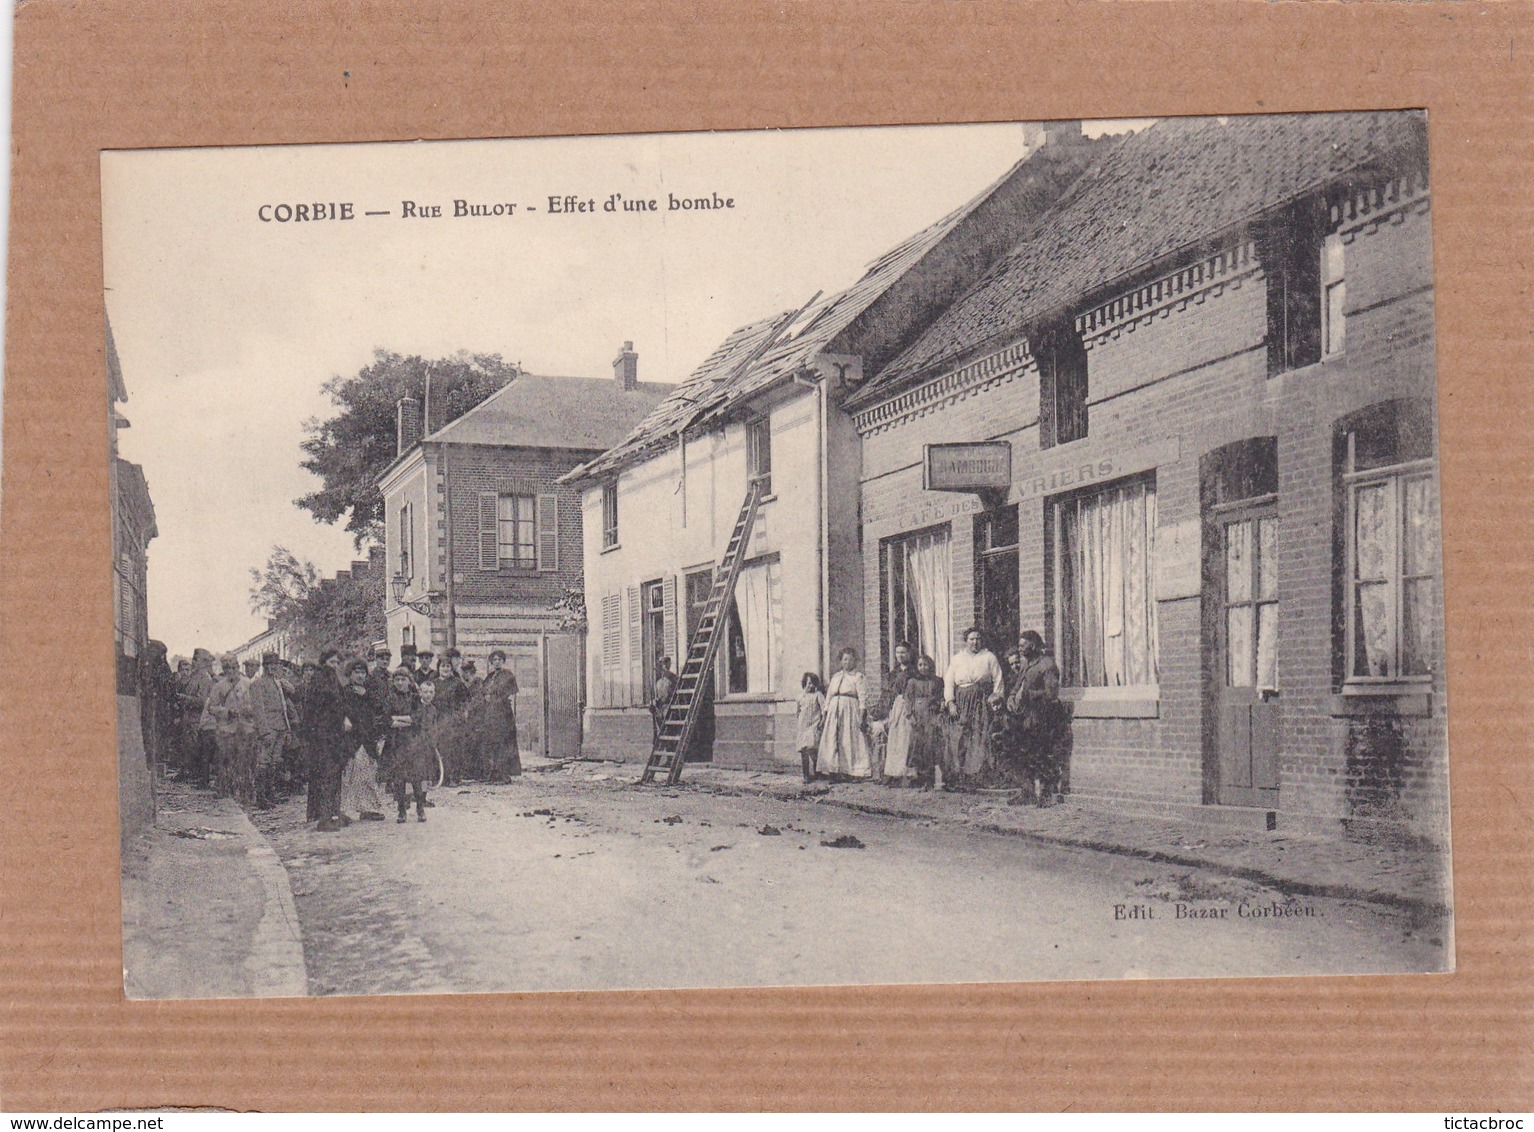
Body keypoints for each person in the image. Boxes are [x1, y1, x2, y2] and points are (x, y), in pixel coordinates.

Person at [1008, 630, 1067, 807]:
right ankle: (1027, 793)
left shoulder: (1047, 665)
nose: (1019, 649)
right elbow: (1017, 685)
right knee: (1024, 755)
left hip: (1043, 717)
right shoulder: (1027, 664)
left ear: (1033, 645)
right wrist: (1011, 697)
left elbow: (1051, 694)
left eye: (1022, 645)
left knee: (1043, 755)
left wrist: (1028, 695)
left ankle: (1046, 795)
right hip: (1025, 717)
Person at [943, 627, 1005, 788]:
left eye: (978, 638)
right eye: (971, 639)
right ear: (966, 641)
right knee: (960, 736)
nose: (975, 642)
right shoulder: (957, 658)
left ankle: (977, 776)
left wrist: (995, 698)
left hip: (981, 700)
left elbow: (998, 679)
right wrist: (950, 702)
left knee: (979, 735)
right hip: (961, 701)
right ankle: (959, 775)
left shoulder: (989, 657)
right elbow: (949, 681)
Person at [378, 666, 432, 822]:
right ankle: (401, 810)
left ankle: (420, 809)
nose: (400, 683)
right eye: (397, 680)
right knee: (399, 778)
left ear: (409, 681)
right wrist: (405, 720)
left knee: (417, 777)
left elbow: (417, 719)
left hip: (413, 743)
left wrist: (399, 719)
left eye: (403, 679)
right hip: (395, 743)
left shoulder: (415, 698)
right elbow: (387, 720)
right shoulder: (389, 698)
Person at [307, 650, 352, 830]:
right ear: (323, 661)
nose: (334, 665)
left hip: (334, 735)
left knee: (335, 773)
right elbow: (325, 708)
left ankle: (334, 811)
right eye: (331, 662)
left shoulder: (332, 679)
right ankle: (324, 817)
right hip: (323, 736)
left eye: (336, 662)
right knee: (327, 774)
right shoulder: (320, 680)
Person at [339, 659, 389, 821]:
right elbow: (340, 712)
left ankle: (368, 808)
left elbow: (381, 706)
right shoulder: (344, 692)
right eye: (356, 672)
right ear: (350, 674)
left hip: (368, 737)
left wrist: (366, 694)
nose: (360, 676)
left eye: (362, 672)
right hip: (352, 738)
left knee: (368, 772)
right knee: (351, 773)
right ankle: (345, 810)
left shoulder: (370, 692)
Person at [246, 652, 296, 809]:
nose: (274, 667)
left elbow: (284, 708)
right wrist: (264, 731)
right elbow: (258, 710)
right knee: (263, 762)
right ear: (265, 666)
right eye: (270, 665)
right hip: (268, 728)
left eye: (276, 664)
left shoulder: (278, 684)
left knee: (274, 762)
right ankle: (260, 797)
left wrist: (287, 729)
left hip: (280, 726)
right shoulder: (257, 684)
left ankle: (270, 793)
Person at [818, 647, 872, 781]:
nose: (846, 662)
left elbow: (863, 698)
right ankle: (833, 770)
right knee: (833, 739)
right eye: (844, 659)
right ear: (841, 661)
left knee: (848, 739)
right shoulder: (836, 677)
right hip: (834, 712)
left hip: (849, 710)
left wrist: (861, 716)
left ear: (855, 661)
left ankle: (852, 771)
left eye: (850, 659)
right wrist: (825, 715)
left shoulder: (858, 677)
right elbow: (829, 697)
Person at [903, 655, 947, 791]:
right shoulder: (912, 682)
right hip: (918, 718)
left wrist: (940, 711)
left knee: (931, 747)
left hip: (932, 717)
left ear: (931, 666)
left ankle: (930, 780)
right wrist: (910, 716)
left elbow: (942, 698)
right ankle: (919, 780)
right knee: (918, 747)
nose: (923, 668)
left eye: (925, 665)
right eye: (920, 665)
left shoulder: (937, 681)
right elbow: (908, 700)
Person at [478, 649, 521, 782]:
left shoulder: (508, 675)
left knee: (503, 742)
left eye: (499, 660)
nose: (497, 662)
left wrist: (496, 699)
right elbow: (483, 692)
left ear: (503, 661)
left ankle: (504, 774)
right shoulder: (489, 677)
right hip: (490, 714)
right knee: (492, 743)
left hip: (503, 713)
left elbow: (510, 692)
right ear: (491, 662)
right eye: (494, 660)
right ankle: (493, 773)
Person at [880, 642, 917, 786]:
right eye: (898, 653)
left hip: (910, 705)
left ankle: (907, 774)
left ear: (909, 654)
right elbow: (889, 693)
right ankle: (894, 773)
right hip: (897, 705)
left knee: (906, 737)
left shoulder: (914, 671)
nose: (900, 656)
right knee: (895, 739)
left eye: (903, 652)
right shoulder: (893, 673)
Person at [183, 648, 220, 787]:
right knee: (191, 747)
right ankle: (195, 774)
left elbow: (203, 700)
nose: (193, 662)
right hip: (189, 719)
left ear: (203, 662)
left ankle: (201, 777)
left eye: (196, 660)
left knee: (199, 749)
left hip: (198, 719)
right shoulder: (194, 676)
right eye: (193, 659)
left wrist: (184, 698)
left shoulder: (205, 678)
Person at [795, 672, 825, 784]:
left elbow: (824, 710)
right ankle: (806, 775)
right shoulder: (800, 696)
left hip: (814, 726)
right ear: (804, 683)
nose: (811, 686)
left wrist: (821, 722)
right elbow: (798, 711)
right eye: (809, 683)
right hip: (803, 727)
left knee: (812, 749)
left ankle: (818, 772)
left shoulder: (818, 695)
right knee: (803, 751)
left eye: (813, 684)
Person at [650, 656, 677, 745]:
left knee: (670, 734)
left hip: (670, 710)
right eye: (662, 665)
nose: (664, 667)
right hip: (660, 712)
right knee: (662, 734)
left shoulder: (674, 679)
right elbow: (657, 696)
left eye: (666, 664)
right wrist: (654, 703)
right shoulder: (658, 682)